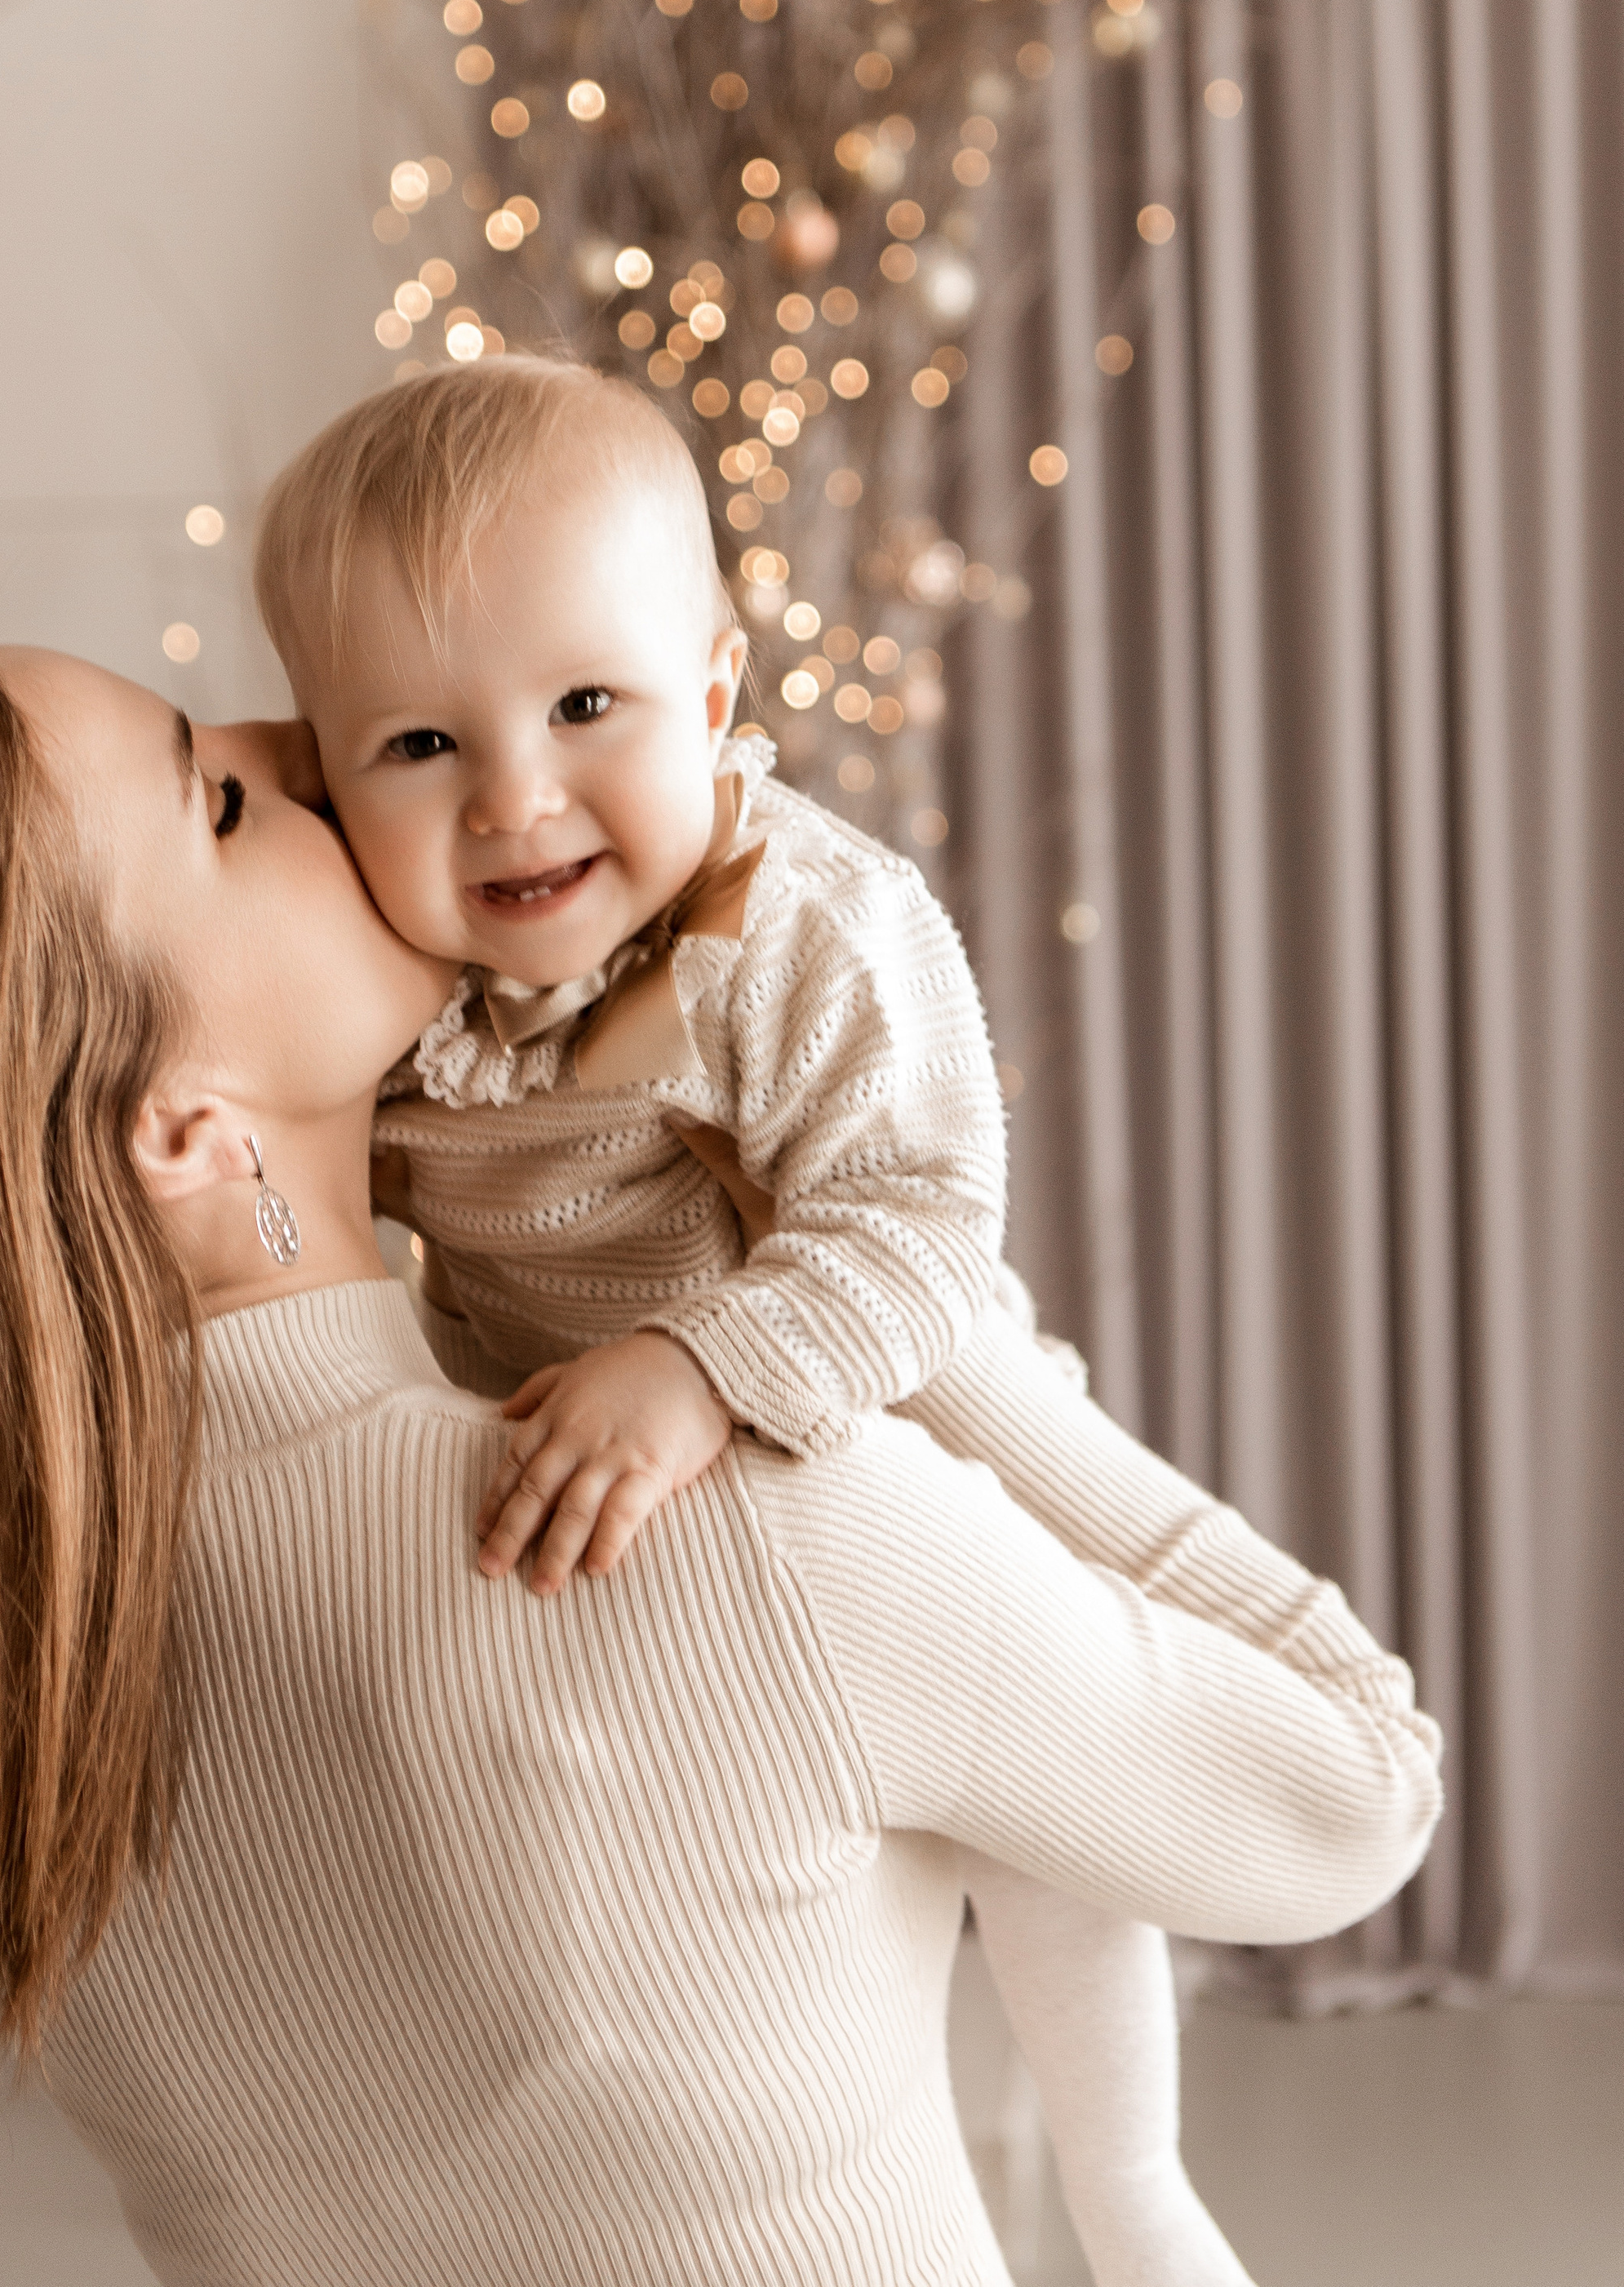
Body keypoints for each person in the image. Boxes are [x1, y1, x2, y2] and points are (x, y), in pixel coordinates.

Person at [0, 639, 1440, 2287]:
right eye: (212, 800)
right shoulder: (737, 1529)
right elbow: (1351, 1786)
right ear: (178, 1130)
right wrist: (893, 1291)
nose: (306, 748)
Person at [251, 353, 1399, 2287]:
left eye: (585, 706)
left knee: (1041, 1823)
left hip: (883, 1389)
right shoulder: (393, 985)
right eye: (416, 748)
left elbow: (925, 1214)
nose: (514, 794)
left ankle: (1127, 2187)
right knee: (852, 1886)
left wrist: (707, 1365)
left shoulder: (798, 928)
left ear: (711, 696)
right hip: (626, 1490)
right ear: (317, 771)